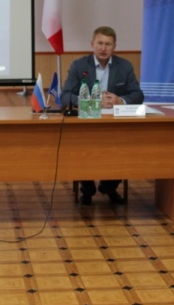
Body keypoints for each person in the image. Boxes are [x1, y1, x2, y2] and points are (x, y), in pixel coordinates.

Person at [60, 26, 144, 205]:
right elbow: (65, 95)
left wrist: (120, 100)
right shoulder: (79, 65)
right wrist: (91, 101)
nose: (103, 48)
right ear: (92, 44)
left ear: (114, 47)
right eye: (100, 43)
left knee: (126, 146)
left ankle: (109, 186)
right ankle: (87, 189)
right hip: (86, 122)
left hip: (116, 122)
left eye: (108, 44)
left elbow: (138, 95)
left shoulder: (124, 66)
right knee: (81, 147)